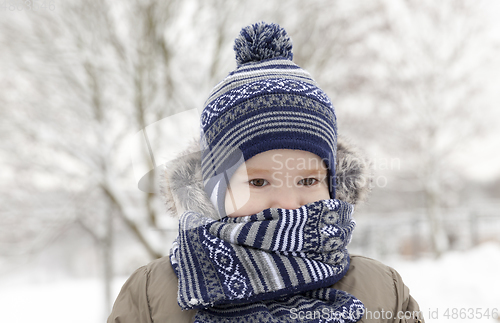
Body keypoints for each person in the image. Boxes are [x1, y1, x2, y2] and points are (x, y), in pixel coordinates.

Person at [108, 22, 424, 323]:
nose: (287, 202)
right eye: (258, 181)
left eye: (309, 180)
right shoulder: (152, 294)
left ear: (333, 185)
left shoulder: (381, 290)